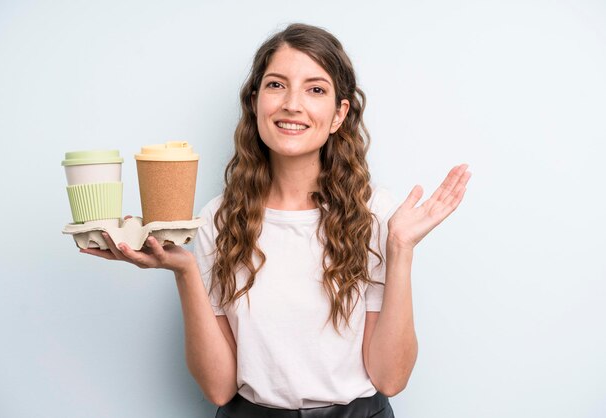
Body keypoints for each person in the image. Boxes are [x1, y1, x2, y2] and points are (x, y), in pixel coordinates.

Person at [82, 23, 471, 418]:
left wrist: (400, 249)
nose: (292, 104)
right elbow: (219, 389)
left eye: (315, 89)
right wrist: (185, 270)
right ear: (255, 101)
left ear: (340, 114)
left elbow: (390, 379)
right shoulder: (220, 217)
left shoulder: (374, 213)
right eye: (276, 85)